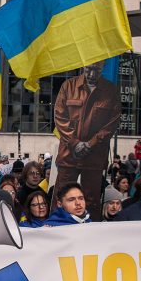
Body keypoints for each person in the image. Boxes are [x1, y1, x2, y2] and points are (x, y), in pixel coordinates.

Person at [52, 61, 121, 220]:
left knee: (92, 200)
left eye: (96, 70)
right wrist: (75, 143)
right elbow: (60, 117)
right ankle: (56, 226)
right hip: (69, 153)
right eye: (88, 70)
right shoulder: (68, 86)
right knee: (60, 197)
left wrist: (90, 144)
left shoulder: (111, 91)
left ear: (103, 68)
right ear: (83, 67)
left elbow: (112, 123)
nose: (91, 75)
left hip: (95, 155)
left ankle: (92, 231)